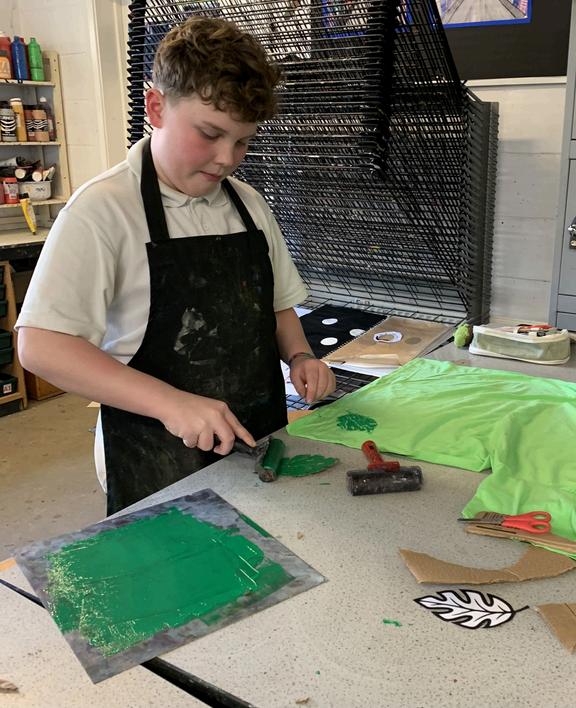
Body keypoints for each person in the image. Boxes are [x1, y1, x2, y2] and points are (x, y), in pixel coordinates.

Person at [16, 16, 336, 514]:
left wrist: (300, 356)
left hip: (256, 438)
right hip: (152, 453)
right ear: (156, 107)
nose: (226, 158)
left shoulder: (249, 205)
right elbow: (41, 346)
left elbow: (275, 306)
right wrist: (171, 403)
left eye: (243, 141)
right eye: (209, 134)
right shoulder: (102, 210)